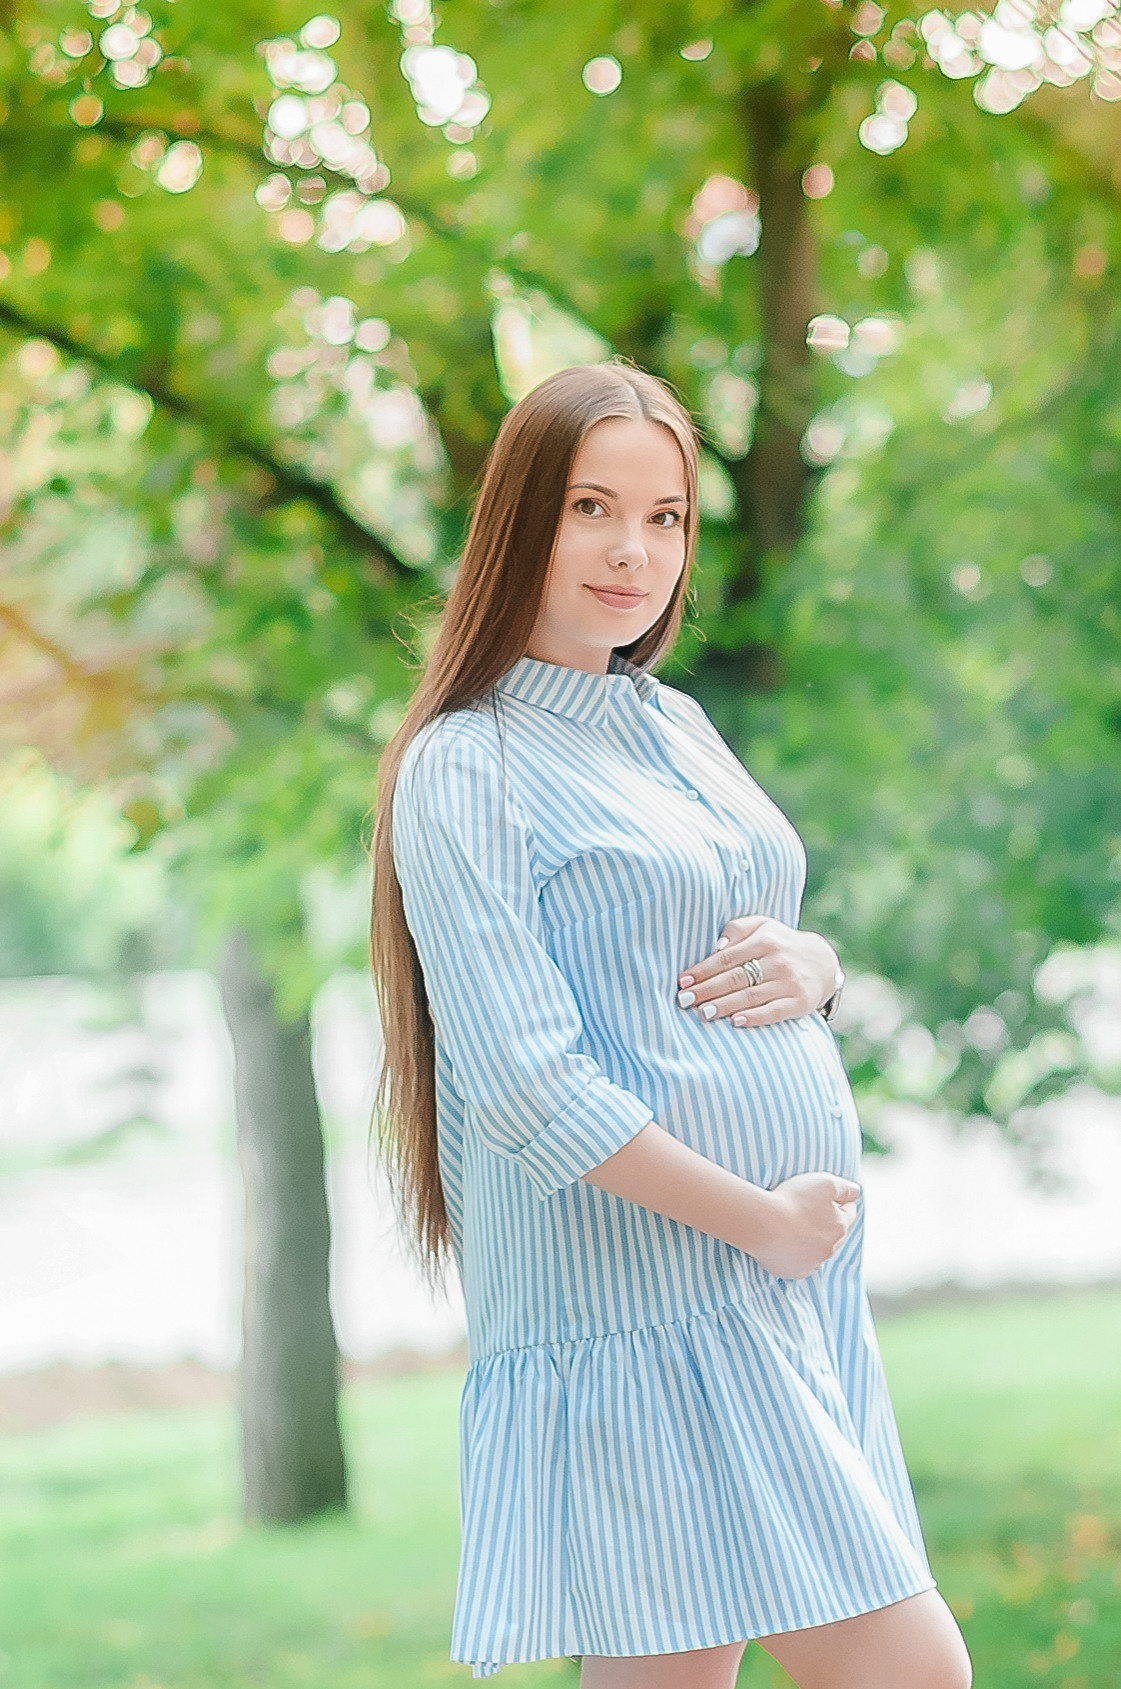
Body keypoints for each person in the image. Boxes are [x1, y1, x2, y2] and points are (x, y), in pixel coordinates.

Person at [369, 360, 972, 1689]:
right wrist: (759, 1220)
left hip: (771, 1296)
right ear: (518, 521)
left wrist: (814, 966)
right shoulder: (470, 762)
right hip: (644, 1305)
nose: (631, 549)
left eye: (665, 516)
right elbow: (527, 1086)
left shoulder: (673, 724)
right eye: (590, 506)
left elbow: (755, 929)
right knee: (909, 1673)